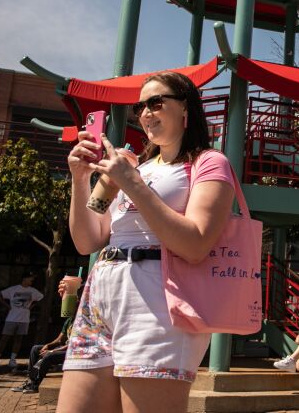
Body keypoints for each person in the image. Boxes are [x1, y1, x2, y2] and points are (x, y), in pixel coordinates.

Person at [58, 71, 235, 413]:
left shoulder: (208, 163)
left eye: (156, 102)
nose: (146, 113)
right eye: (141, 106)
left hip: (157, 303)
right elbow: (87, 240)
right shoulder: (131, 165)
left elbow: (196, 243)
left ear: (185, 109)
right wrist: (80, 180)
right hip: (101, 297)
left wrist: (133, 184)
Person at [12, 280, 77, 393]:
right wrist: (48, 345)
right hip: (63, 348)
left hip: (72, 351)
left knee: (47, 357)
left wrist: (51, 352)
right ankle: (30, 379)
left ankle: (35, 384)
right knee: (36, 349)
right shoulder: (69, 320)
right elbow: (59, 339)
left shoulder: (80, 322)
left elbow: (72, 345)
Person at [0, 271, 43, 368]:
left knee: (18, 339)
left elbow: (42, 298)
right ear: (24, 278)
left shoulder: (33, 291)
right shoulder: (13, 289)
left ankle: (12, 360)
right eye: (30, 278)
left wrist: (32, 306)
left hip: (24, 319)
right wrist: (7, 306)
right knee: (4, 338)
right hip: (11, 318)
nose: (32, 280)